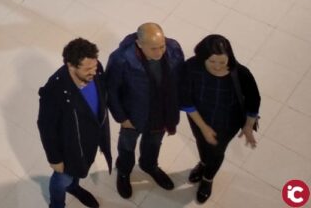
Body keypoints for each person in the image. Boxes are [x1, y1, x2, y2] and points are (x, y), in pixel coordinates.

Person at [106, 23, 185, 199]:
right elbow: (111, 90)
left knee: (154, 143)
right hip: (133, 115)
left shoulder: (174, 49)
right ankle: (124, 171)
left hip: (161, 113)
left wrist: (176, 104)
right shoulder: (121, 59)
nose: (160, 52)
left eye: (162, 46)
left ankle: (149, 166)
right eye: (154, 48)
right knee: (127, 146)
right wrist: (122, 117)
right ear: (139, 44)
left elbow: (180, 78)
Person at [180, 34, 260, 204]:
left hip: (227, 122)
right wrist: (203, 127)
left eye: (222, 62)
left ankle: (208, 179)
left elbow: (254, 100)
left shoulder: (240, 73)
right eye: (212, 62)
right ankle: (202, 163)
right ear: (202, 57)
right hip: (198, 117)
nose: (217, 67)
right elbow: (185, 99)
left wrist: (248, 126)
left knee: (216, 152)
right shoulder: (192, 67)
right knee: (201, 142)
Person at [37, 38, 112, 208]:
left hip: (89, 138)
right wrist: (55, 158)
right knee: (61, 179)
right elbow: (46, 128)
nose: (94, 71)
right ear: (71, 66)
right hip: (69, 145)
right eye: (87, 69)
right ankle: (57, 205)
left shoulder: (96, 69)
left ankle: (74, 187)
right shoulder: (54, 91)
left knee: (81, 166)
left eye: (94, 66)